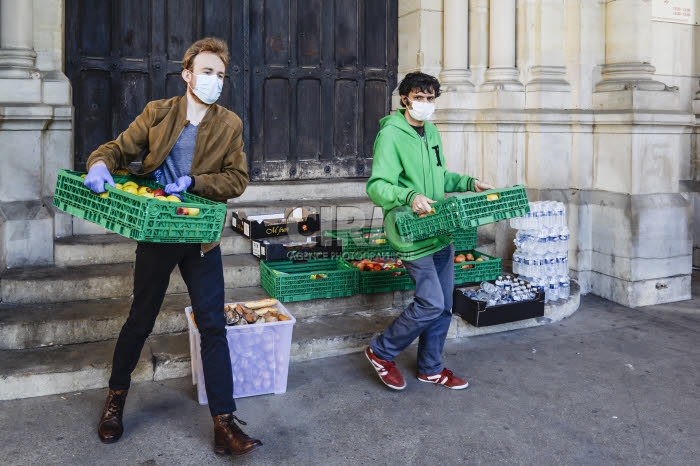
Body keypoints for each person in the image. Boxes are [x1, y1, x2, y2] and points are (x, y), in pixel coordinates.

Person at [83, 37, 262, 456]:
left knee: (213, 326)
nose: (213, 80)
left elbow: (238, 178)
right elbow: (117, 148)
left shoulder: (229, 124)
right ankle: (115, 400)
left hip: (200, 237)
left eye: (219, 74)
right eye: (206, 71)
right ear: (187, 74)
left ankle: (224, 423)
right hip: (160, 231)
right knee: (139, 320)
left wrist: (195, 183)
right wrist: (97, 164)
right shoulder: (158, 113)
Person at [364, 72, 494, 391]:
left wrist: (467, 183)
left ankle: (430, 368)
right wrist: (408, 196)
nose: (424, 103)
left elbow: (440, 176)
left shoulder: (432, 131)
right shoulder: (391, 135)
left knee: (444, 305)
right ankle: (381, 352)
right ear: (405, 98)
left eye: (430, 98)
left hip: (439, 229)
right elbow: (378, 185)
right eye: (418, 97)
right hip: (410, 231)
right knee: (431, 302)